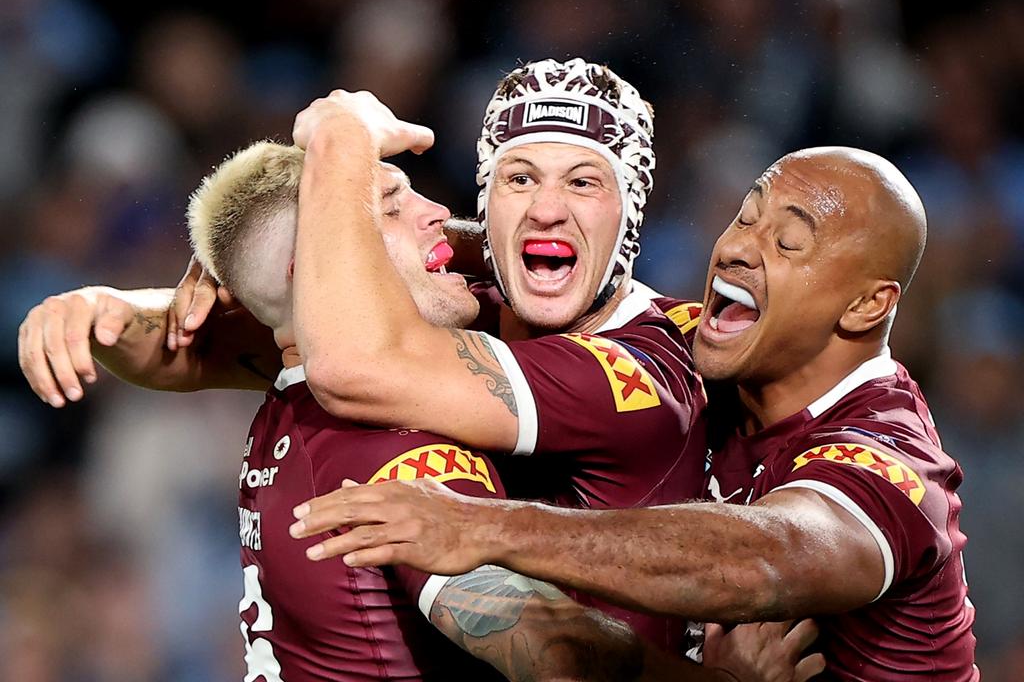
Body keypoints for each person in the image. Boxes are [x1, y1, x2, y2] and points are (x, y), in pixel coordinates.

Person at [18, 137, 821, 682]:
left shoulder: (289, 399)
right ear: (322, 274)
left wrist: (106, 307)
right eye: (392, 204)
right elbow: (560, 653)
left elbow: (197, 343)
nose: (439, 214)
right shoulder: (401, 451)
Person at [288, 147, 979, 681]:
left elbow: (764, 558)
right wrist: (264, 257)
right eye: (746, 215)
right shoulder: (699, 349)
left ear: (865, 306)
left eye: (787, 243)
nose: (737, 247)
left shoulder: (887, 458)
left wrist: (486, 527)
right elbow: (519, 266)